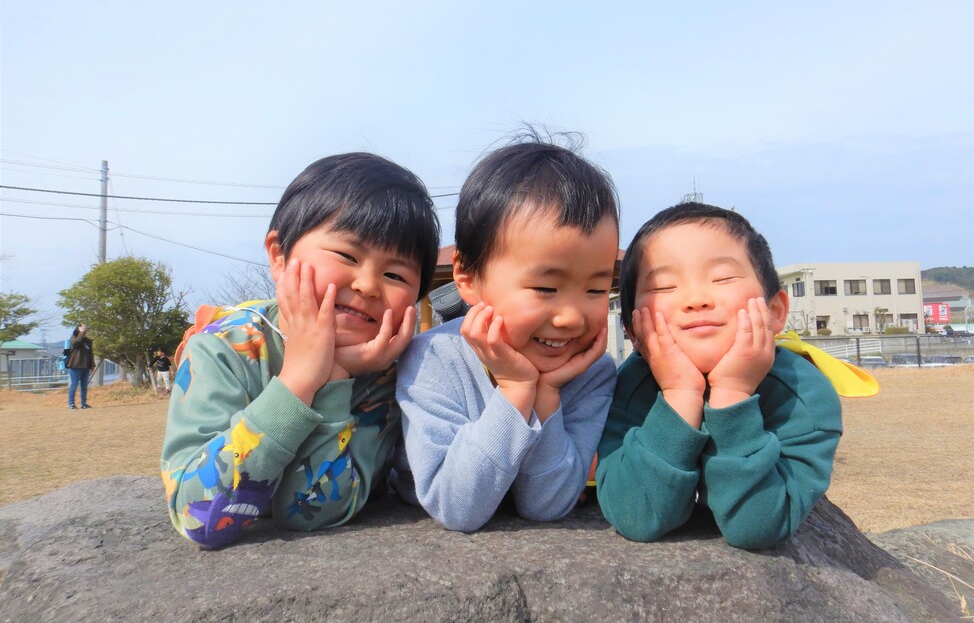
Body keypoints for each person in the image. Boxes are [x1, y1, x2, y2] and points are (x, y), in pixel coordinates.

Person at [160, 153, 440, 549]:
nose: (368, 285)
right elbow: (199, 517)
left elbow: (309, 510)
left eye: (395, 275)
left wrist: (336, 374)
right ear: (279, 254)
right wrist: (298, 380)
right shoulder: (223, 347)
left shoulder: (391, 372)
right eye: (346, 255)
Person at [395, 135, 620, 532]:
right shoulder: (434, 358)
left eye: (596, 289)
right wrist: (516, 390)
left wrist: (547, 395)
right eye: (545, 288)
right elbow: (456, 506)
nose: (570, 317)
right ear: (467, 276)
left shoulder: (592, 374)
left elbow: (546, 504)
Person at [596, 202, 843, 549]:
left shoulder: (804, 396)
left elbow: (758, 526)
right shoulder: (626, 388)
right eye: (665, 286)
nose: (696, 299)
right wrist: (679, 394)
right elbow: (635, 515)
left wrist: (733, 393)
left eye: (723, 278)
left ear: (774, 311)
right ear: (632, 328)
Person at [66, 324, 95, 409]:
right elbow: (77, 342)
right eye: (82, 328)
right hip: (75, 365)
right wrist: (81, 332)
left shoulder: (88, 341)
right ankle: (71, 403)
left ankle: (83, 403)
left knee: (84, 385)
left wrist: (92, 365)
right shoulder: (73, 338)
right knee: (74, 385)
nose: (84, 330)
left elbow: (91, 354)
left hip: (85, 366)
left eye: (85, 329)